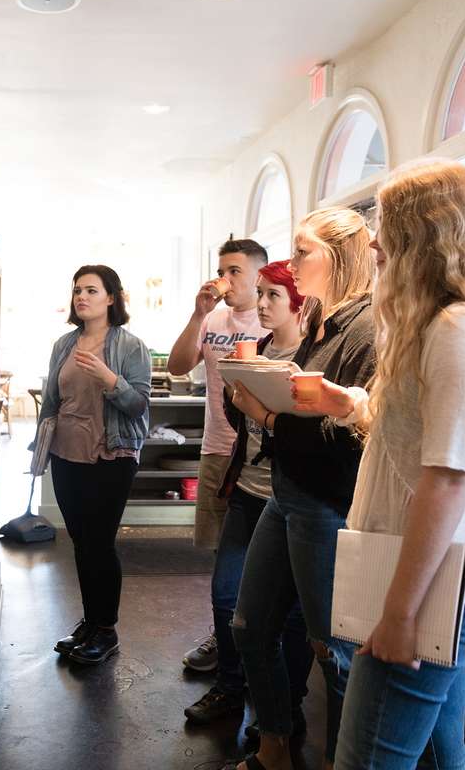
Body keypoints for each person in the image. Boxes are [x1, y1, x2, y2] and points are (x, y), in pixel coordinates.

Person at [312, 161, 465, 769]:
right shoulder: (440, 325)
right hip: (431, 586)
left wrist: (400, 615)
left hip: (431, 597)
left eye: (385, 230)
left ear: (423, 235)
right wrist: (351, 404)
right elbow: (421, 438)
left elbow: (448, 479)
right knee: (444, 760)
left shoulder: (459, 330)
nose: (372, 243)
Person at [226, 208, 377, 770]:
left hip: (322, 504)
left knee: (332, 652)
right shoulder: (322, 322)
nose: (293, 262)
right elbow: (309, 405)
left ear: (339, 256)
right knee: (249, 625)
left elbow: (351, 435)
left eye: (303, 251)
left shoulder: (366, 327)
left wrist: (268, 420)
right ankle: (275, 745)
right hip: (286, 494)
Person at [184, 260, 315, 737]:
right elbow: (236, 416)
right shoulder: (254, 347)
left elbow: (310, 435)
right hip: (248, 489)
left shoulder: (314, 358)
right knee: (226, 595)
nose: (260, 304)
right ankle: (231, 685)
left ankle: (287, 705)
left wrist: (261, 405)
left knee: (295, 614)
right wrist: (238, 391)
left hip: (292, 497)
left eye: (272, 296)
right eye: (259, 294)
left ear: (298, 304)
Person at [38, 265, 151, 665]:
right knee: (82, 542)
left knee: (101, 543)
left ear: (112, 298)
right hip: (66, 456)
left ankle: (107, 630)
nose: (81, 297)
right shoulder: (64, 345)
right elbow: (51, 402)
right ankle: (90, 621)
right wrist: (40, 449)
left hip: (111, 456)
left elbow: (138, 405)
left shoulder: (130, 346)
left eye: (91, 290)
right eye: (77, 291)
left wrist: (109, 378)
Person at [167, 238, 270, 672]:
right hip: (217, 449)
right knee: (221, 552)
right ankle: (224, 638)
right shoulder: (212, 319)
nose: (225, 279)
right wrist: (198, 314)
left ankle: (255, 639)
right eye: (221, 270)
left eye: (235, 272)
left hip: (262, 456)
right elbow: (177, 366)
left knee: (262, 557)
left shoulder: (273, 320)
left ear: (258, 277)